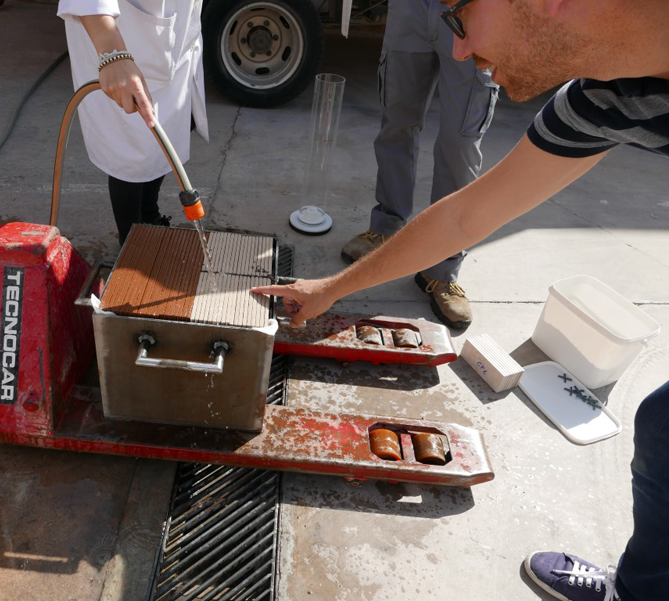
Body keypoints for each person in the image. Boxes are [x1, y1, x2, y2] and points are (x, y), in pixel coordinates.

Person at [254, 1, 669, 599]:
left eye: (457, 18)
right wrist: (329, 291)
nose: (456, 51)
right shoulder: (597, 103)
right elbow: (463, 218)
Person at [341, 0, 498, 328]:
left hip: (476, 9)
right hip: (410, 8)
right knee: (397, 120)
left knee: (461, 142)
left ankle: (442, 267)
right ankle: (386, 227)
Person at [57, 0, 208, 245]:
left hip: (173, 36)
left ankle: (149, 214)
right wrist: (112, 54)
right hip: (124, 41)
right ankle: (132, 244)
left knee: (168, 135)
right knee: (131, 153)